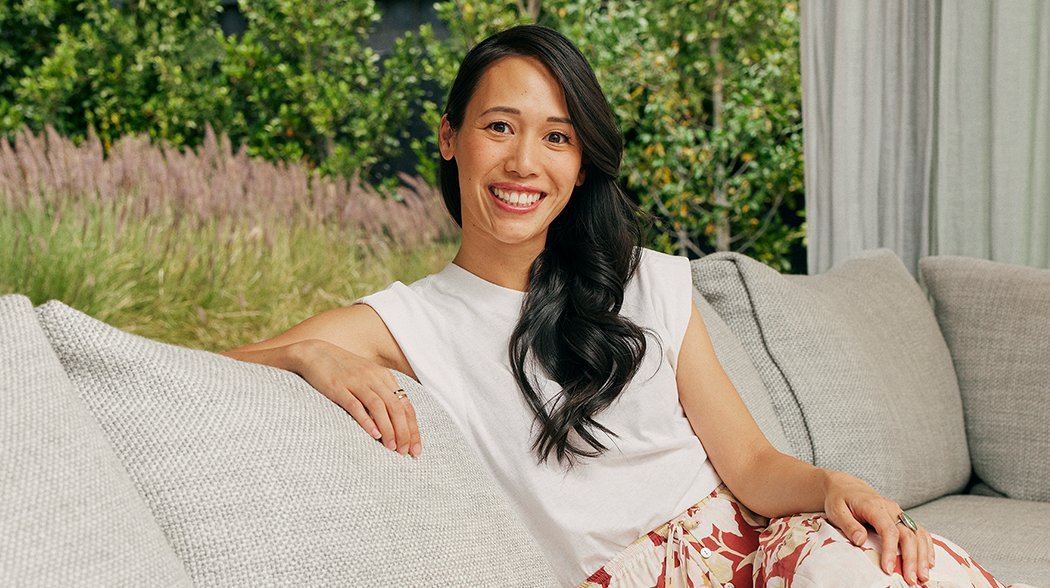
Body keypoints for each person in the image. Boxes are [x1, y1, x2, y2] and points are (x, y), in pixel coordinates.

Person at [222, 25, 1011, 588]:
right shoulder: (410, 320)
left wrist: (835, 484)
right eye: (499, 127)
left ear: (579, 163)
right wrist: (307, 352)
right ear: (449, 138)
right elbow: (201, 367)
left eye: (557, 138)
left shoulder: (644, 282)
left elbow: (752, 467)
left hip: (771, 549)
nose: (524, 162)